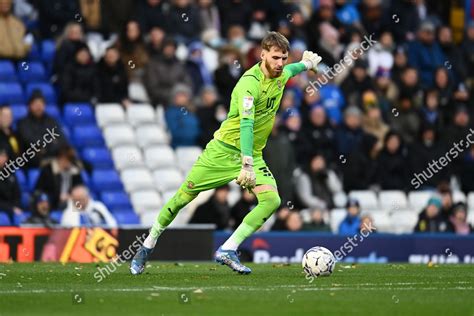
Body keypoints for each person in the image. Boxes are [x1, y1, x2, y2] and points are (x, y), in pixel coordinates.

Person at [131, 32, 323, 275]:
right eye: (275, 57)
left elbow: (293, 69)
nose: (279, 63)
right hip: (223, 152)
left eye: (283, 58)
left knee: (272, 200)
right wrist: (246, 164)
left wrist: (307, 64)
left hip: (253, 154)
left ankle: (228, 249)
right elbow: (246, 125)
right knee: (182, 198)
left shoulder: (281, 74)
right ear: (262, 55)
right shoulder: (249, 84)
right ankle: (147, 246)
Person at [17, 91, 67, 168]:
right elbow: (31, 141)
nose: (39, 107)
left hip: (53, 155)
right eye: (36, 104)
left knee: (83, 164)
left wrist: (46, 147)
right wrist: (51, 141)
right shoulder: (23, 123)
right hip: (34, 158)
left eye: (41, 104)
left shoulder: (51, 121)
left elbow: (62, 139)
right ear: (30, 106)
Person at [35, 145, 84, 210]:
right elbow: (40, 191)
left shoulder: (74, 172)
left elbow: (79, 188)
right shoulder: (48, 171)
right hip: (53, 203)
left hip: (71, 201)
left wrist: (71, 197)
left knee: (80, 203)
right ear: (60, 158)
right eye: (67, 160)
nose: (68, 163)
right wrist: (59, 196)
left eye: (70, 160)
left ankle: (81, 216)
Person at [0, 149, 22, 223]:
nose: (4, 159)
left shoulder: (10, 173)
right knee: (3, 219)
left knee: (21, 218)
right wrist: (11, 208)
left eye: (5, 156)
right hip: (3, 208)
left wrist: (16, 206)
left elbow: (17, 194)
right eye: (1, 156)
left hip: (11, 207)